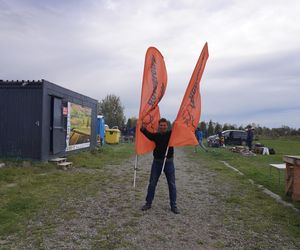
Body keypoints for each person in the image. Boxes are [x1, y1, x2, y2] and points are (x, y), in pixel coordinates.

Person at [140, 118, 179, 214]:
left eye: (164, 125)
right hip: (157, 163)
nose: (162, 127)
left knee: (172, 184)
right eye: (161, 125)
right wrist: (143, 129)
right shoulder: (156, 136)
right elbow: (148, 135)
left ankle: (173, 205)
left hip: (168, 163)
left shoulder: (171, 134)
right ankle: (148, 203)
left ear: (167, 126)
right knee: (152, 183)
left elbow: (177, 129)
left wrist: (177, 123)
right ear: (159, 126)